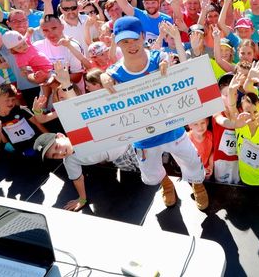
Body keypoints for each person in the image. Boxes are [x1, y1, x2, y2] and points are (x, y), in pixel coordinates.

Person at [100, 16, 209, 210]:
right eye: (125, 41)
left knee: (190, 159)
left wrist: (166, 62)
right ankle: (166, 184)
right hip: (144, 136)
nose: (131, 45)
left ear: (143, 36)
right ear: (117, 42)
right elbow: (106, 80)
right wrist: (103, 76)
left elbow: (167, 59)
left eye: (135, 39)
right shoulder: (115, 73)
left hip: (172, 127)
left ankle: (198, 184)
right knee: (150, 170)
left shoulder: (157, 58)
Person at [35, 132, 139, 211]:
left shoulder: (80, 133)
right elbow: (78, 179)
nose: (60, 153)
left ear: (61, 136)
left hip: (130, 140)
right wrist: (82, 199)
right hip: (118, 157)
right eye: (54, 155)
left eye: (57, 147)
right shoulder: (70, 161)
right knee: (134, 174)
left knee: (148, 167)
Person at [0, 83, 54, 157]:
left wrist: (51, 139)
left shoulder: (21, 109)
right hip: (21, 152)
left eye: (13, 99)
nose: (11, 103)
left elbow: (37, 123)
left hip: (38, 144)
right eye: (7, 100)